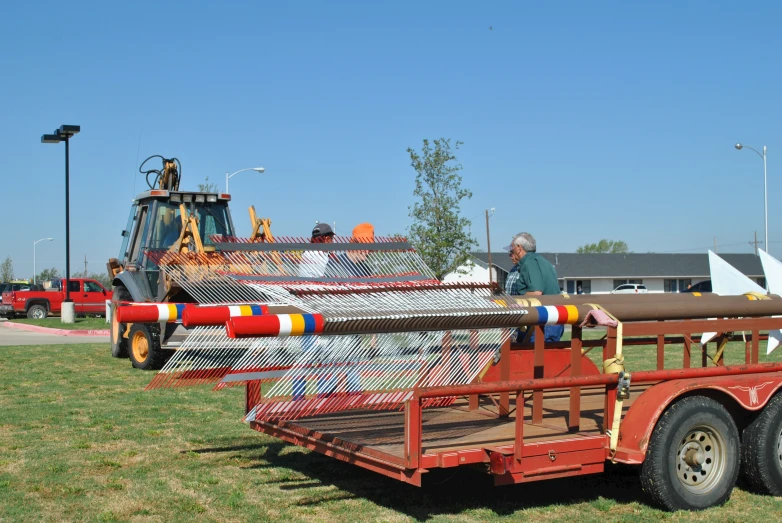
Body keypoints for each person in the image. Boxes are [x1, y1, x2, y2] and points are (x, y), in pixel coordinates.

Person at [508, 232, 564, 342]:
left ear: (519, 248)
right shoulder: (543, 261)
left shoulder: (529, 263)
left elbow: (536, 293)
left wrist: (514, 302)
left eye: (512, 247)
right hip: (553, 320)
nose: (511, 251)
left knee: (533, 357)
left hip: (543, 322)